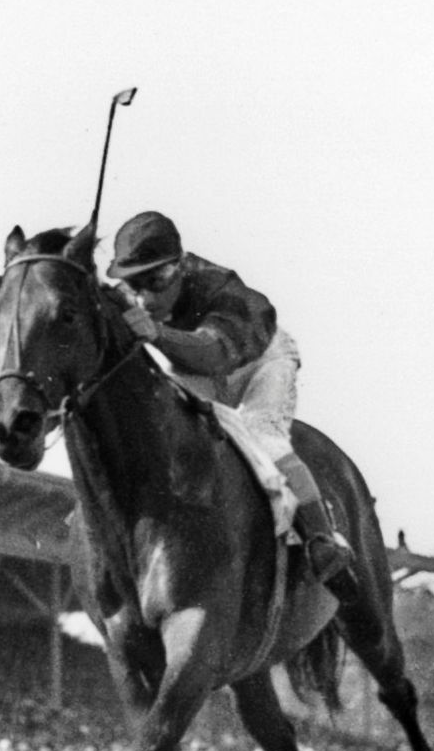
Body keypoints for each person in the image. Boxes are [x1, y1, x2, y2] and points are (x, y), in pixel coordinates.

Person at [105, 211, 354, 589]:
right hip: (198, 366)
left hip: (258, 360)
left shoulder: (220, 289)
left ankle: (321, 539)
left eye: (154, 281)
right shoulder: (135, 297)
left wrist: (156, 333)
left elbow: (212, 354)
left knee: (262, 435)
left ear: (179, 266)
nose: (144, 297)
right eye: (133, 284)